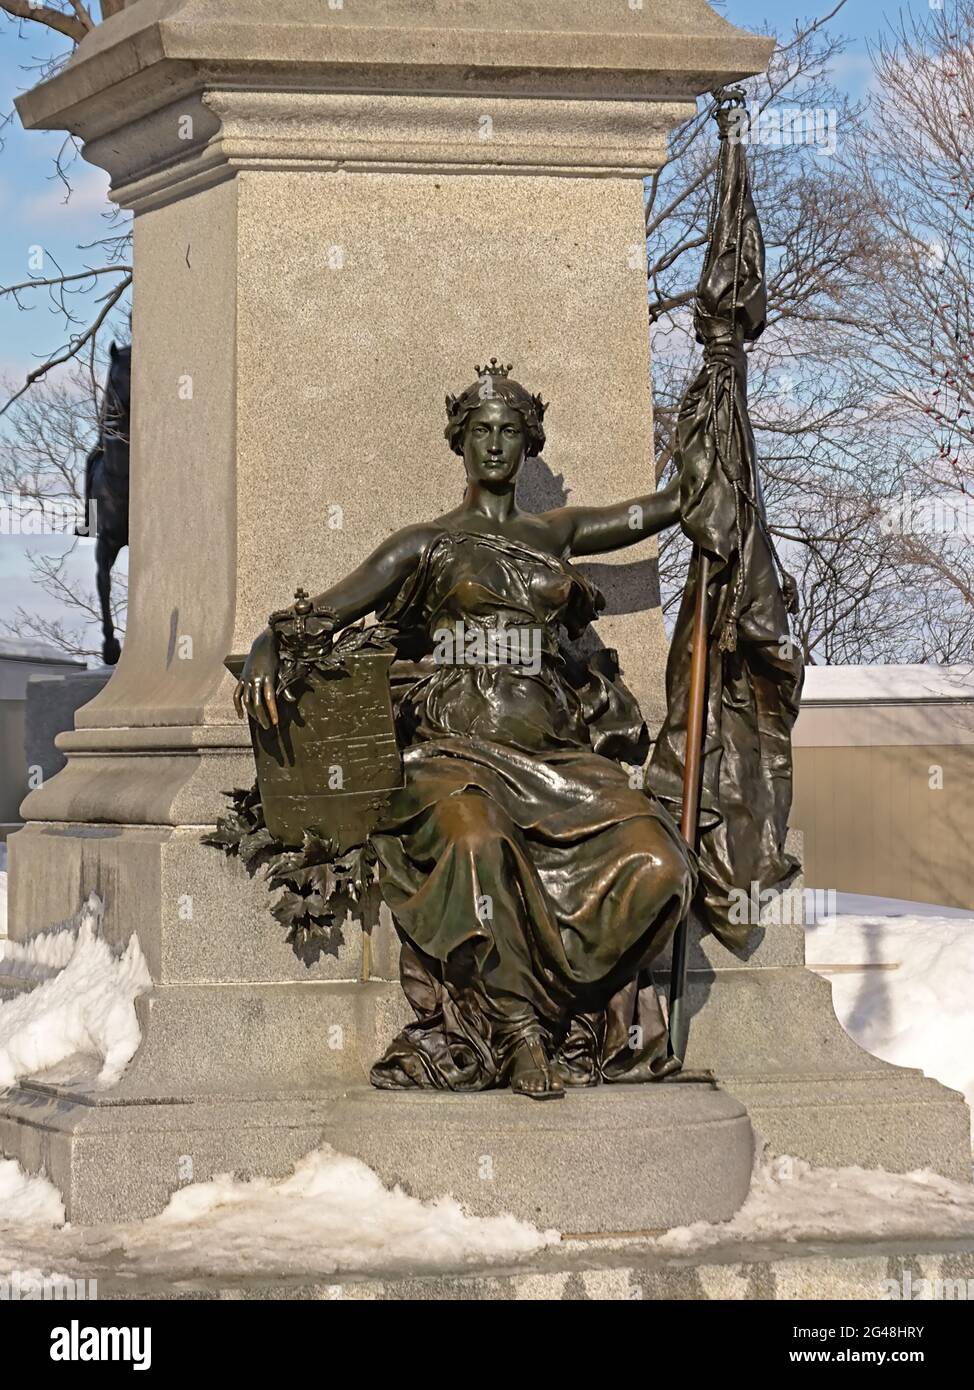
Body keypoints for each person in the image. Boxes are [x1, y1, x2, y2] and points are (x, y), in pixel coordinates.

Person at [236, 360, 694, 1099]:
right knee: (474, 841)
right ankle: (515, 1033)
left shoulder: (557, 533)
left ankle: (572, 1008)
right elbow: (316, 618)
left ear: (528, 443)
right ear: (460, 440)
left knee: (658, 861)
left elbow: (654, 512)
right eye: (481, 431)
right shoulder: (422, 545)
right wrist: (267, 647)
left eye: (510, 432)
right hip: (455, 749)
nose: (494, 445)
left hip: (554, 757)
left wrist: (711, 451)